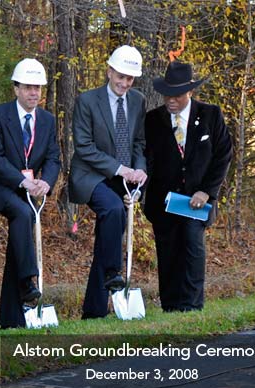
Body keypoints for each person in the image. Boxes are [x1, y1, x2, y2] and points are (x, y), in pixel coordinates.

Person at [144, 61, 232, 312]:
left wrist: (207, 191)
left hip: (197, 199)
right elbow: (147, 159)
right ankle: (171, 306)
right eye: (167, 95)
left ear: (190, 93)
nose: (171, 100)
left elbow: (223, 155)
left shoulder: (210, 115)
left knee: (193, 244)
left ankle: (192, 306)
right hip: (164, 200)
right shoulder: (153, 120)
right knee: (168, 250)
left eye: (177, 95)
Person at [68, 45, 147, 319]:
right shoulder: (87, 101)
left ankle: (93, 310)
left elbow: (138, 142)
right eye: (121, 76)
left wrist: (139, 171)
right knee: (113, 210)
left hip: (123, 177)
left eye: (130, 78)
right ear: (109, 70)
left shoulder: (137, 100)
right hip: (91, 175)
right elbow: (84, 147)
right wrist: (121, 169)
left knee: (109, 234)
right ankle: (114, 273)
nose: (125, 83)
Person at [0, 58, 61, 329]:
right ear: (16, 88)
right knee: (22, 213)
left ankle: (10, 317)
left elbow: (53, 158)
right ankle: (29, 280)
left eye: (38, 88)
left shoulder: (48, 121)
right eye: (28, 87)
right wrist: (22, 182)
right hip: (1, 186)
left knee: (21, 230)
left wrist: (46, 182)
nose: (34, 93)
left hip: (30, 191)